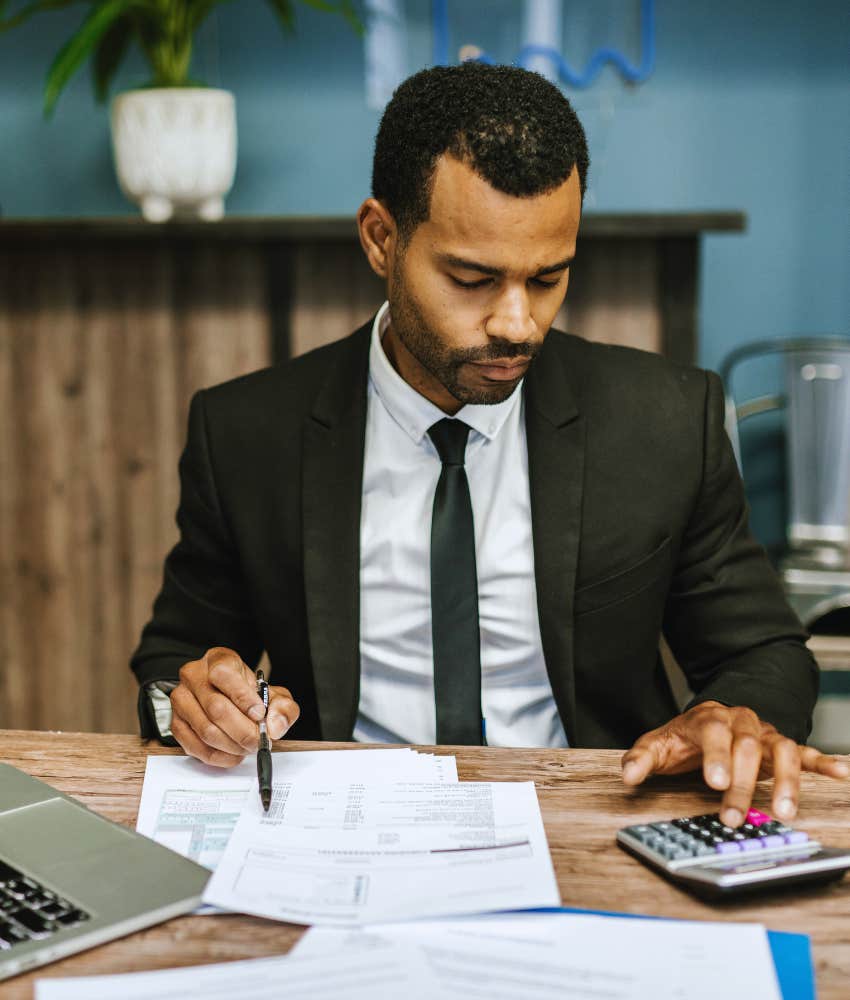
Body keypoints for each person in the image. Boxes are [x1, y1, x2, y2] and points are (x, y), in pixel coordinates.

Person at [131, 62, 847, 829]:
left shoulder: (667, 421)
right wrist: (193, 703)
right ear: (381, 239)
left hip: (596, 822)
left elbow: (767, 654)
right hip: (340, 829)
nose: (517, 323)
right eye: (471, 278)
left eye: (548, 278)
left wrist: (733, 714)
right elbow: (174, 663)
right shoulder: (247, 432)